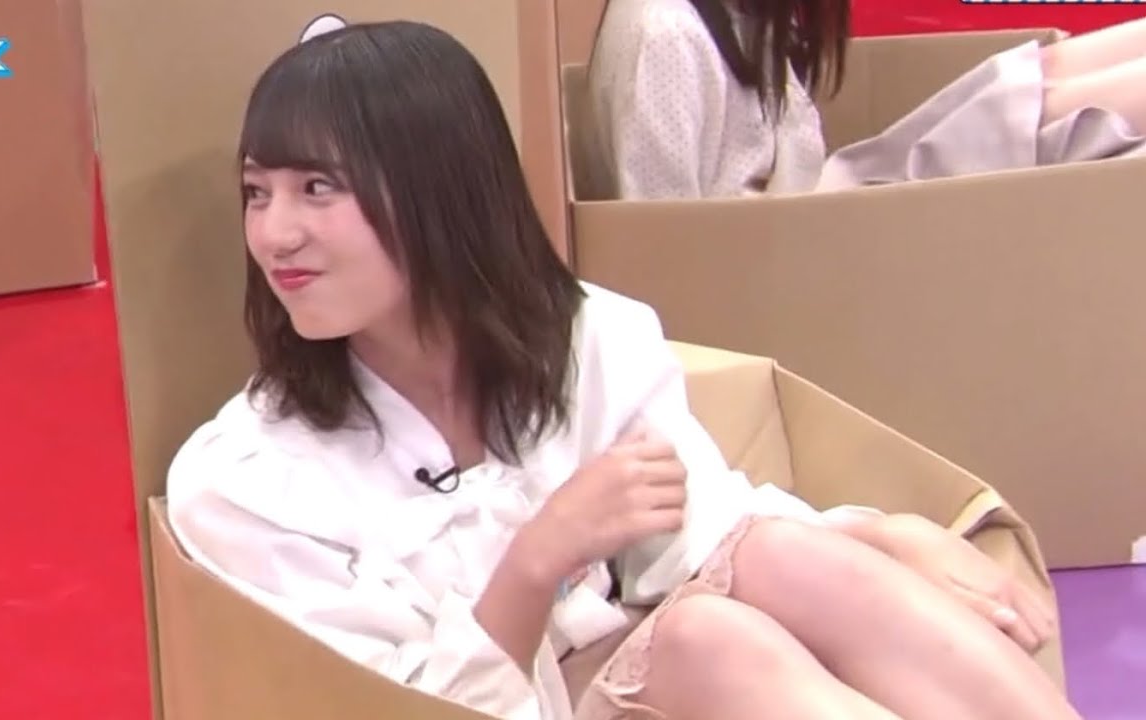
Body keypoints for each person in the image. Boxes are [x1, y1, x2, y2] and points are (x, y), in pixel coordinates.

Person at [165, 20, 1076, 720]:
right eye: (257, 192)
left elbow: (707, 527)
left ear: (441, 189)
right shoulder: (244, 481)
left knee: (762, 569)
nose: (274, 234)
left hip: (627, 667)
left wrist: (884, 536)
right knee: (704, 640)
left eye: (317, 189)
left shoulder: (584, 339)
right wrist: (536, 560)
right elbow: (387, 705)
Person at [583, 0, 1146, 199]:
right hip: (819, 246)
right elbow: (663, 247)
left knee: (1034, 80)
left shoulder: (727, 15)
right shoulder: (664, 34)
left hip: (831, 207)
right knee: (1031, 109)